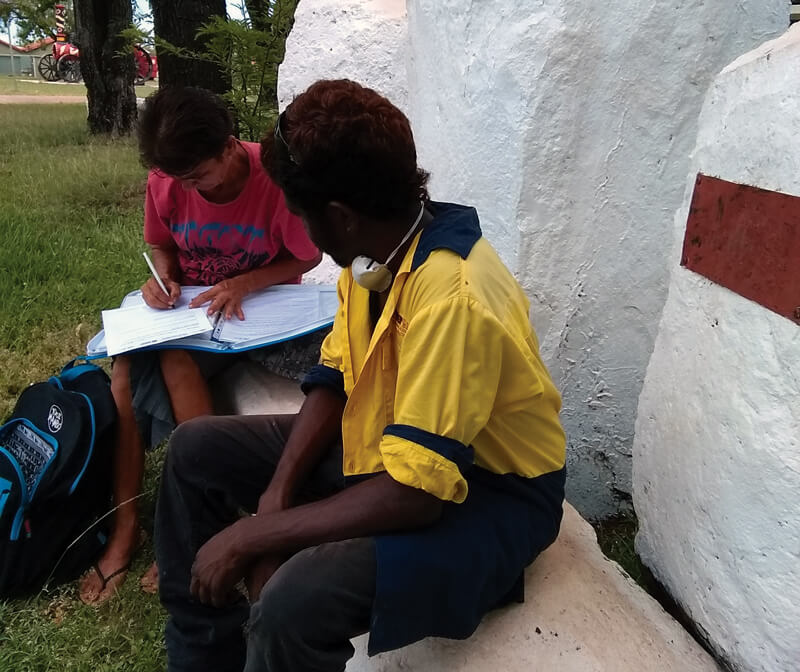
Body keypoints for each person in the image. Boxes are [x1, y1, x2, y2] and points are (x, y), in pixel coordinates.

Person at [155, 79, 566, 672]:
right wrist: (276, 496)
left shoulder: (452, 295)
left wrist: (257, 536)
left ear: (340, 218)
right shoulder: (377, 253)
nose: (306, 235)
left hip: (488, 493)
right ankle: (201, 654)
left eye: (301, 215)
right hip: (392, 447)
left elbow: (416, 495)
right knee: (195, 449)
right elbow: (336, 376)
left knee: (294, 601)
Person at [78, 86, 322, 605]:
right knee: (125, 370)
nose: (185, 187)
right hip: (190, 314)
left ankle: (197, 518)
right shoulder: (167, 180)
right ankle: (126, 529)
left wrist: (245, 283)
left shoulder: (272, 180)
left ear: (229, 146)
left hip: (257, 317)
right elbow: (162, 244)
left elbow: (305, 258)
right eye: (176, 178)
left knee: (170, 357)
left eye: (196, 176)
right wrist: (161, 277)